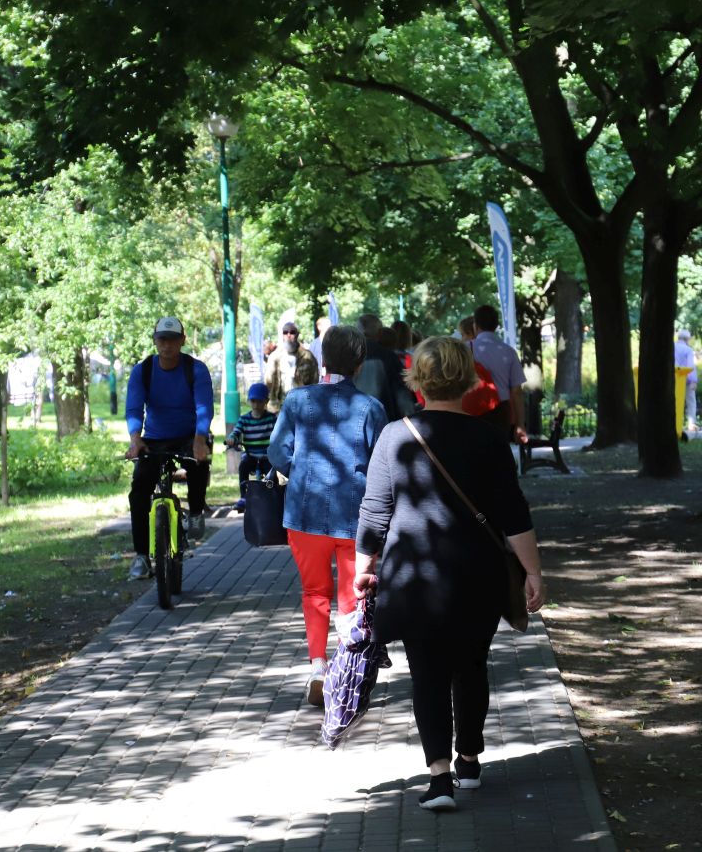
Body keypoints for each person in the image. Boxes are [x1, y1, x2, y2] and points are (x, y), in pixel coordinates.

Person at [354, 336, 544, 812]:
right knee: (472, 665)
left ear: (416, 379)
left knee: (428, 676)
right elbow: (513, 513)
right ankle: (470, 759)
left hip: (414, 578)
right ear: (468, 379)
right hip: (475, 577)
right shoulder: (488, 438)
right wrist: (533, 572)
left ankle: (439, 778)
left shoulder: (395, 436)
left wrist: (363, 569)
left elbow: (374, 513)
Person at [268, 325, 388, 707]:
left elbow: (275, 452)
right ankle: (347, 670)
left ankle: (318, 667)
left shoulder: (297, 401)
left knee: (313, 594)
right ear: (359, 363)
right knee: (353, 597)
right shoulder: (371, 408)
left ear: (322, 359)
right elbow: (383, 465)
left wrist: (301, 471)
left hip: (304, 515)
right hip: (356, 517)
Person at [124, 316, 214, 580]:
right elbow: (133, 408)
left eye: (173, 340)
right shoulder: (143, 371)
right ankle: (141, 557)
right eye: (162, 339)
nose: (167, 345)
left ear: (182, 341)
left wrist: (199, 440)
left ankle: (196, 511)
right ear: (155, 341)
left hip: (189, 434)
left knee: (199, 462)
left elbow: (204, 407)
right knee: (139, 489)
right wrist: (135, 438)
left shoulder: (195, 369)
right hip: (155, 438)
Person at [470, 305, 528, 444]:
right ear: (496, 326)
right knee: (500, 453)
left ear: (475, 325)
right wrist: (520, 423)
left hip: (472, 409)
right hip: (501, 411)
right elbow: (516, 391)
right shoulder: (508, 352)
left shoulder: (465, 349)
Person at [354, 313, 419, 421]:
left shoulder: (348, 355)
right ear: (379, 332)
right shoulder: (389, 356)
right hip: (385, 419)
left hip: (353, 418)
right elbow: (401, 394)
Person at [227, 381, 276, 511]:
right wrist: (232, 439)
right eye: (253, 401)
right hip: (251, 455)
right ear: (249, 401)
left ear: (266, 401)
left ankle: (274, 496)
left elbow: (279, 432)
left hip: (266, 456)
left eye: (259, 401)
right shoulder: (244, 419)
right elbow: (236, 431)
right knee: (243, 466)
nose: (256, 405)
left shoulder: (271, 419)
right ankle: (244, 496)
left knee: (273, 472)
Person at [265, 321, 318, 411]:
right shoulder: (274, 357)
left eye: (292, 332)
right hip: (279, 407)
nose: (288, 335)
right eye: (285, 332)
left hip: (302, 406)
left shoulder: (308, 356)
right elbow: (268, 382)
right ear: (282, 335)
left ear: (297, 334)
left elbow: (315, 382)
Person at [675, 328, 698, 432]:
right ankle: (691, 424)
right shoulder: (688, 349)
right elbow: (690, 366)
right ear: (687, 339)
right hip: (686, 379)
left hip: (673, 378)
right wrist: (694, 381)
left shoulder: (671, 347)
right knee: (691, 401)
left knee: (675, 401)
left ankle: (675, 422)